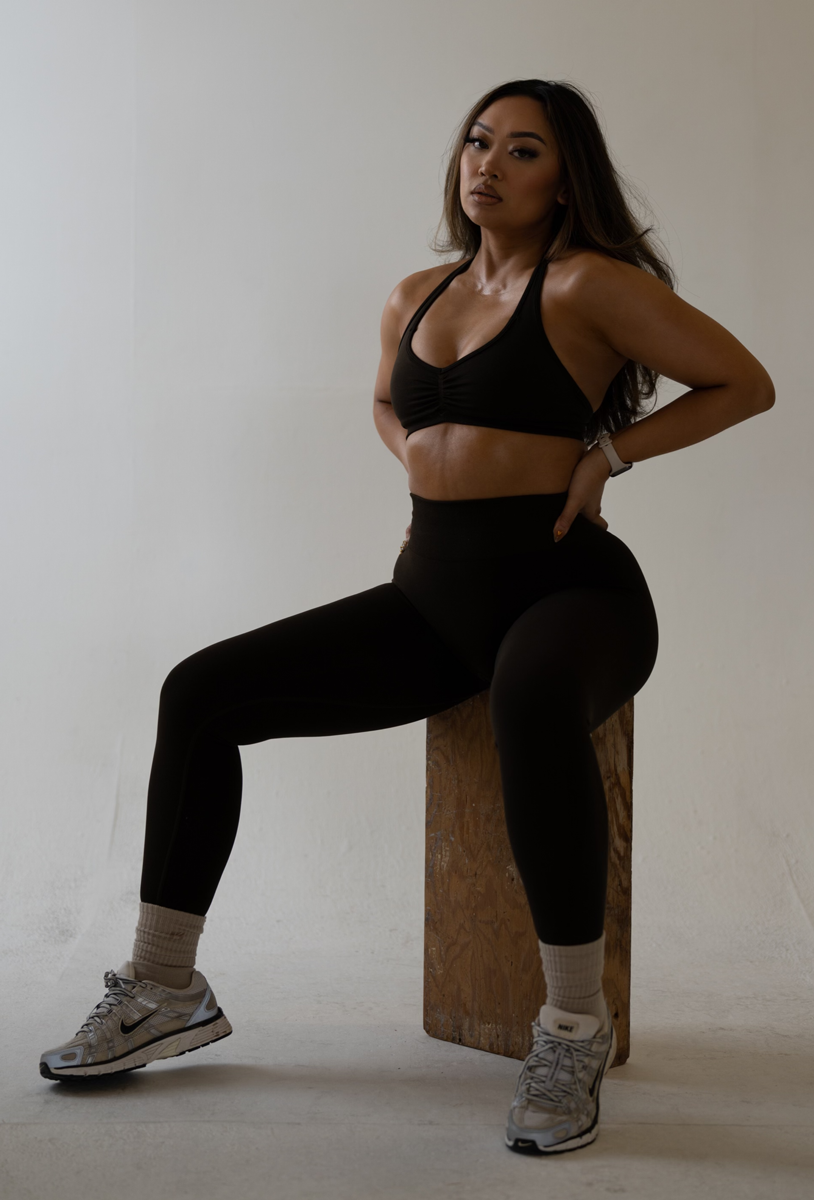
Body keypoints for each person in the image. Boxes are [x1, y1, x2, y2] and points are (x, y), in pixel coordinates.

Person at [39, 78, 774, 1156]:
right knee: (201, 692)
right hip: (432, 600)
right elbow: (389, 404)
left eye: (523, 151)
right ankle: (163, 988)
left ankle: (571, 1025)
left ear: (565, 177)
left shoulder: (585, 286)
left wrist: (604, 458)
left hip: (571, 592)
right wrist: (425, 482)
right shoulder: (416, 296)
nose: (488, 164)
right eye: (479, 141)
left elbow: (741, 383)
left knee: (528, 695)